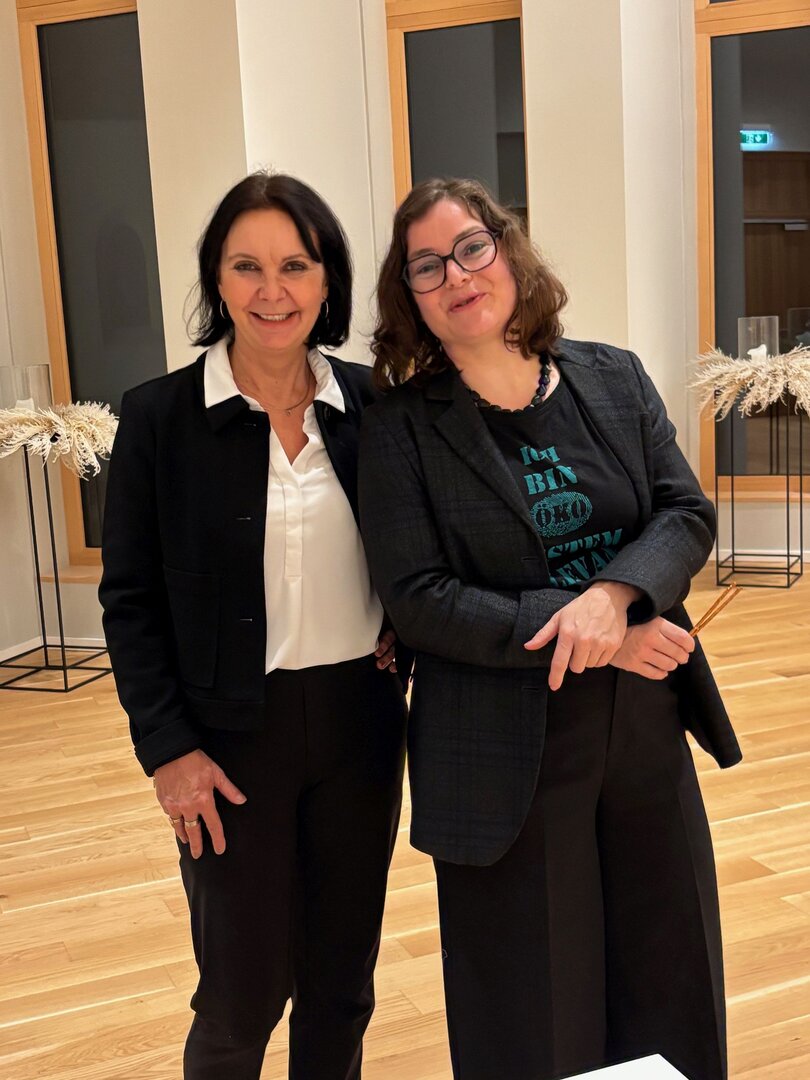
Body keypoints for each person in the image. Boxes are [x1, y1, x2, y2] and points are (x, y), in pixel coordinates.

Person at [357, 177, 741, 1080]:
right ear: (409, 299)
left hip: (643, 721)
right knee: (531, 1006)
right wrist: (595, 631)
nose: (457, 276)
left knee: (669, 973)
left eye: (471, 248)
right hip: (502, 745)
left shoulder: (612, 376)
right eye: (426, 267)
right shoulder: (401, 428)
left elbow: (684, 512)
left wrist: (615, 597)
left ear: (508, 250)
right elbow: (418, 598)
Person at [99, 172, 408, 1080]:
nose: (273, 291)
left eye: (295, 266)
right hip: (228, 741)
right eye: (248, 267)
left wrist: (412, 631)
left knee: (341, 985)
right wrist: (168, 750)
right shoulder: (159, 417)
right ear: (218, 279)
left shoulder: (378, 406)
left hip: (360, 725)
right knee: (241, 992)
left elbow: (419, 551)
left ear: (327, 280)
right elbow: (130, 600)